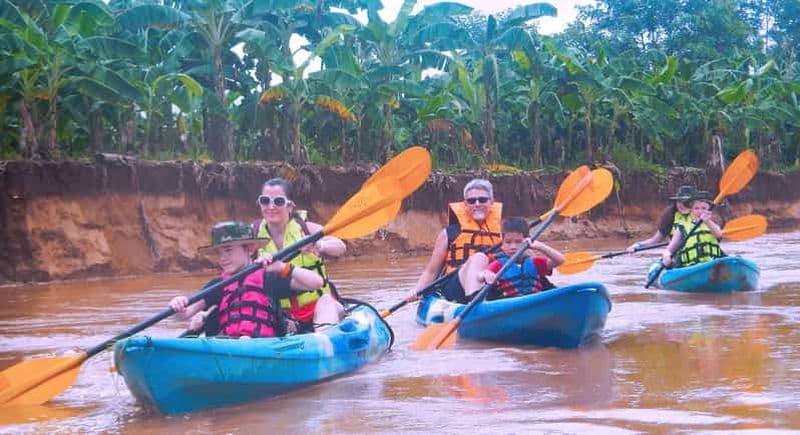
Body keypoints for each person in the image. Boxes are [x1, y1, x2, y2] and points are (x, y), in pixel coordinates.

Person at [169, 221, 324, 338]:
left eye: (228, 250)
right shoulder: (219, 285)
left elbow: (317, 282)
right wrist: (178, 304)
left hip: (263, 346)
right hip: (227, 346)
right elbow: (184, 315)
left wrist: (281, 267)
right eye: (219, 253)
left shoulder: (268, 278)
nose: (223, 258)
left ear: (249, 249)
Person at [253, 178, 346, 333]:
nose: (271, 207)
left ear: (290, 206)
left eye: (278, 201)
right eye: (265, 201)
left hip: (318, 306)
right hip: (281, 316)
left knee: (327, 302)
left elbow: (340, 247)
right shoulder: (253, 235)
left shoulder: (307, 229)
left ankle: (325, 336)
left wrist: (319, 245)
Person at [406, 179, 503, 303]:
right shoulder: (448, 233)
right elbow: (431, 271)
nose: (477, 204)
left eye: (482, 200)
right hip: (456, 286)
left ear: (491, 202)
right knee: (479, 258)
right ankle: (475, 301)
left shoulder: (503, 232)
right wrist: (416, 290)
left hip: (491, 281)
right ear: (465, 204)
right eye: (471, 201)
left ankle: (485, 299)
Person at [626, 185, 697, 253]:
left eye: (686, 202)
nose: (681, 205)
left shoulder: (701, 216)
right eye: (679, 201)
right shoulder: (671, 216)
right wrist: (638, 245)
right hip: (677, 256)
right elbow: (655, 239)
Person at [661, 192, 724, 268]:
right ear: (691, 210)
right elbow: (670, 248)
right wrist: (667, 254)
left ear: (709, 211)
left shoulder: (713, 225)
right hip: (690, 267)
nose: (700, 211)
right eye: (696, 208)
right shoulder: (682, 227)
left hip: (712, 264)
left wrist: (708, 222)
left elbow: (719, 235)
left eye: (704, 208)